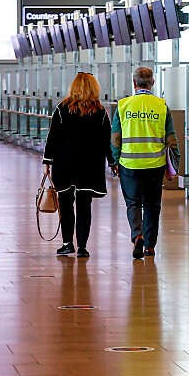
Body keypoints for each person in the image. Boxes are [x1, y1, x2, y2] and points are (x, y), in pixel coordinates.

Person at [42, 72, 113, 258]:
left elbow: (53, 137)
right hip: (90, 166)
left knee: (65, 203)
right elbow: (106, 141)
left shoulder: (62, 109)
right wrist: (112, 161)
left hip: (64, 164)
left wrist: (47, 161)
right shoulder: (100, 112)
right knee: (84, 205)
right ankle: (82, 246)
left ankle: (67, 243)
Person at [111, 67, 178, 260]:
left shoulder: (123, 105)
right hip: (155, 164)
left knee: (133, 203)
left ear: (134, 83)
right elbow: (171, 139)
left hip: (129, 163)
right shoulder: (161, 106)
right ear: (153, 83)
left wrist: (114, 161)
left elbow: (115, 138)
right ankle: (149, 246)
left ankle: (137, 235)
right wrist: (174, 167)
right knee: (152, 205)